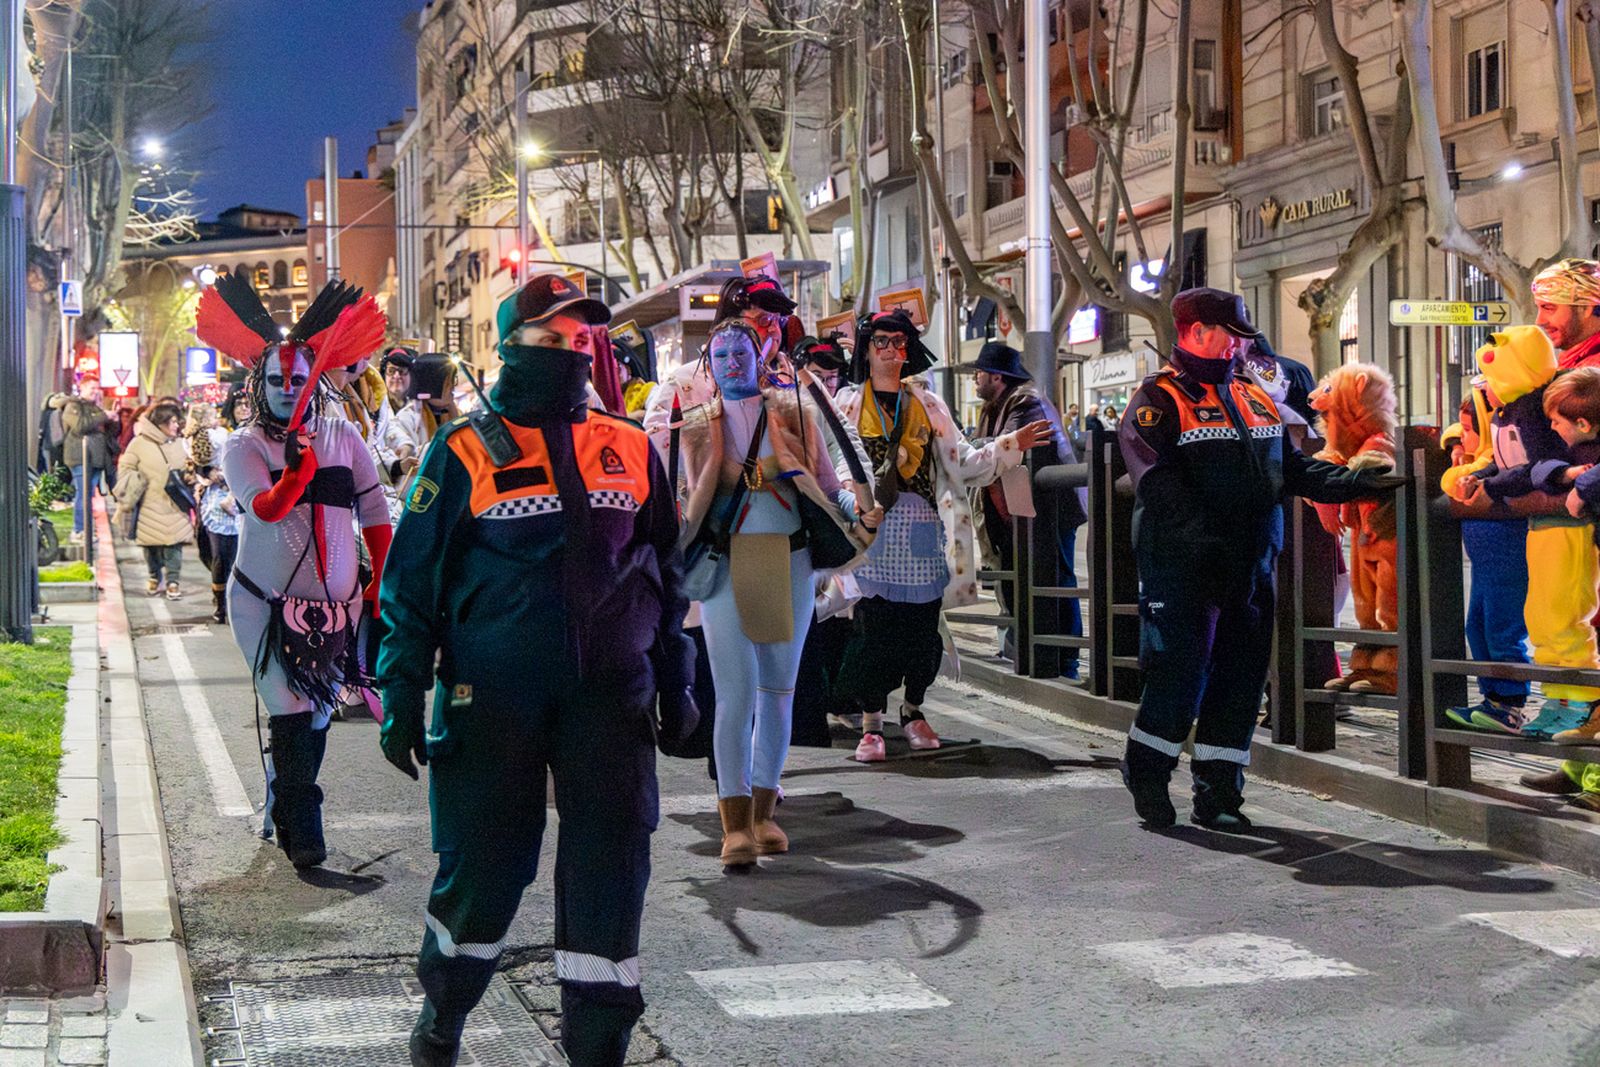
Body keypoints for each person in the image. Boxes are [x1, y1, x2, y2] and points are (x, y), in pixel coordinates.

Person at [376, 273, 697, 1067]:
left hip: (611, 703)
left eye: (578, 340)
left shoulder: (628, 444)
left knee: (610, 873)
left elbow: (665, 566)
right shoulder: (461, 451)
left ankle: (597, 1049)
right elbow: (410, 584)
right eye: (548, 340)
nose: (568, 352)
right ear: (510, 345)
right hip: (493, 703)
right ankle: (442, 1017)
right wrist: (400, 689)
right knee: (485, 870)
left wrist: (679, 676)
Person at [1118, 287, 1400, 831]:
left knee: (1241, 684)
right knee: (1179, 679)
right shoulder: (1158, 400)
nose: (1241, 348)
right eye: (1233, 336)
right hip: (1184, 570)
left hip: (1251, 565)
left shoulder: (1252, 394)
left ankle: (1219, 795)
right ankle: (1147, 773)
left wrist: (1351, 481)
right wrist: (1207, 546)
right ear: (1197, 332)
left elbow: (1289, 468)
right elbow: (1158, 484)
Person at [198, 275, 393, 871]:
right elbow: (266, 509)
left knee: (315, 712)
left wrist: (378, 587)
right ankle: (303, 827)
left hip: (338, 607)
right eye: (277, 379)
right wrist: (296, 473)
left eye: (297, 377)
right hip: (261, 603)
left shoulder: (344, 436)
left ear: (315, 378)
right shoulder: (242, 445)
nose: (288, 388)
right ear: (260, 384)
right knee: (286, 705)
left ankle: (281, 796)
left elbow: (376, 511)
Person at [676, 320, 874, 867]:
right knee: (735, 696)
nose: (731, 361)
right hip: (725, 567)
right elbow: (678, 499)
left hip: (789, 561)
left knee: (778, 692)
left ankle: (764, 812)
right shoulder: (692, 428)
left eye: (740, 351)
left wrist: (860, 511)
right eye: (720, 354)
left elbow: (831, 489)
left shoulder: (795, 415)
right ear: (708, 366)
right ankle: (734, 823)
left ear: (759, 356)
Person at [834, 310, 1050, 761]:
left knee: (920, 631)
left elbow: (966, 462)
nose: (891, 350)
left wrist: (1010, 445)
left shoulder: (930, 405)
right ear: (867, 349)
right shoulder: (848, 404)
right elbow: (835, 468)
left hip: (922, 532)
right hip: (872, 532)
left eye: (898, 342)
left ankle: (913, 710)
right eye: (881, 342)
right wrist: (854, 505)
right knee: (873, 631)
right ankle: (872, 722)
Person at [1454, 326, 1597, 738]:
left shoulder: (1534, 409)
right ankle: (1561, 702)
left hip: (1564, 530)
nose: (1485, 389)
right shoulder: (1515, 411)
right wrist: (1487, 475)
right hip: (1541, 528)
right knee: (1543, 620)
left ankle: (1578, 703)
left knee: (1561, 620)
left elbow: (1536, 468)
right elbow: (1516, 465)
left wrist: (1496, 484)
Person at [969, 341, 1087, 677]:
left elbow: (1010, 445)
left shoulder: (1025, 399)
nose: (975, 379)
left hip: (1051, 511)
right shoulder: (997, 403)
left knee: (1059, 581)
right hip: (1022, 514)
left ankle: (1066, 661)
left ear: (996, 376)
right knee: (1027, 581)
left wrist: (970, 446)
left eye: (978, 373)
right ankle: (1031, 652)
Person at [789, 335, 870, 744]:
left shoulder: (830, 405)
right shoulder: (784, 399)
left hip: (826, 523)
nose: (825, 383)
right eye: (818, 375)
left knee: (835, 614)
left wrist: (849, 493)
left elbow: (844, 451)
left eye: (832, 376)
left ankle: (831, 701)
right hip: (788, 522)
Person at [1441, 384, 1531, 735]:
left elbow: (1460, 484)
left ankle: (1511, 704)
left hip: (1506, 552)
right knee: (1476, 627)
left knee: (1503, 629)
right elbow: (1453, 434)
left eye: (1468, 428)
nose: (1461, 435)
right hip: (1484, 558)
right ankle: (1492, 699)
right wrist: (1456, 443)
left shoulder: (1498, 461)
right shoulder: (1478, 457)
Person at [115, 401, 193, 598]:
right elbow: (125, 469)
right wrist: (136, 481)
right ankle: (154, 577)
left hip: (174, 504)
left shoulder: (180, 443)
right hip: (148, 503)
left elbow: (190, 468)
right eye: (173, 422)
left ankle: (173, 581)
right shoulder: (139, 443)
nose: (177, 426)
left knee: (174, 545)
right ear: (161, 423)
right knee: (151, 545)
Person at [196, 389, 250, 624]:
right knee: (220, 555)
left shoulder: (259, 431)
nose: (244, 408)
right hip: (218, 503)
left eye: (248, 404)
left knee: (243, 556)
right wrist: (209, 471)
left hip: (247, 500)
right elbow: (198, 463)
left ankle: (238, 602)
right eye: (239, 404)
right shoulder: (218, 432)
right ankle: (221, 603)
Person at [384, 353, 460, 499]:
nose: (452, 387)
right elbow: (408, 463)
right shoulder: (406, 418)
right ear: (433, 383)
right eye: (448, 381)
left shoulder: (455, 414)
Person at [51, 382, 114, 542]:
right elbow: (80, 426)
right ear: (82, 388)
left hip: (96, 458)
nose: (95, 391)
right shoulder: (73, 406)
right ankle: (79, 530)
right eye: (91, 388)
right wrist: (103, 416)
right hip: (80, 457)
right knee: (83, 494)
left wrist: (113, 419)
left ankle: (86, 530)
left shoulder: (93, 407)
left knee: (88, 494)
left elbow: (108, 431)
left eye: (97, 388)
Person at [1533, 258, 1600, 369]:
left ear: (1585, 308)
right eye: (1539, 308)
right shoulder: (1578, 361)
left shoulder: (1592, 373)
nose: (1539, 321)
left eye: (1548, 308)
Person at [381, 346, 416, 414]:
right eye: (391, 371)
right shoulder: (375, 405)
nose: (396, 376)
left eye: (402, 371)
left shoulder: (420, 408)